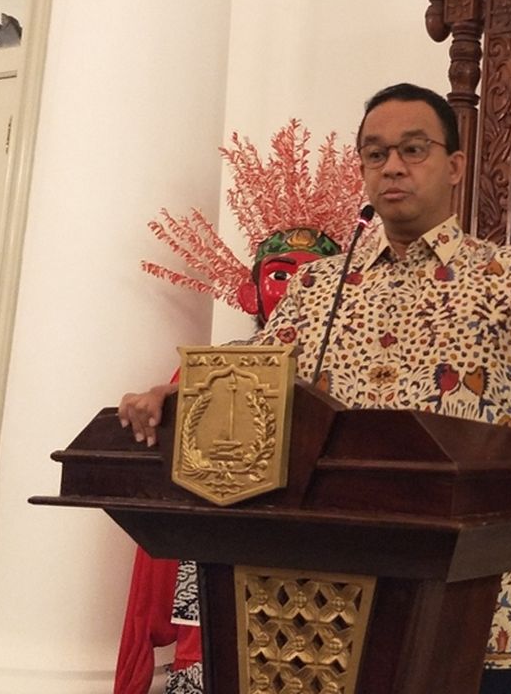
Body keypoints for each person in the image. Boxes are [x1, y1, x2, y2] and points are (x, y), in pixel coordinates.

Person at [119, 83, 511, 693]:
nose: (394, 168)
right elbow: (257, 374)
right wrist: (184, 394)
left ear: (455, 166)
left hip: (474, 609)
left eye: (413, 149)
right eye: (376, 154)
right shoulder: (317, 289)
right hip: (327, 609)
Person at [117, 122, 365, 694]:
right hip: (225, 538)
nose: (294, 288)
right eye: (280, 275)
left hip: (319, 547)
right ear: (252, 289)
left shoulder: (353, 360)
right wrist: (161, 396)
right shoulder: (219, 362)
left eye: (311, 275)